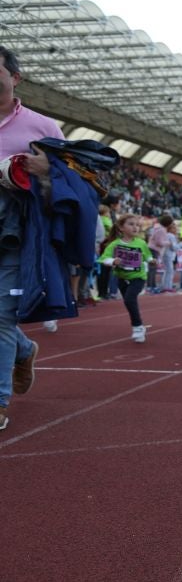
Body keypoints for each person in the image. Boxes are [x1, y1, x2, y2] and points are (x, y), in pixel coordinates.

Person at [0, 45, 61, 431]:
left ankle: (0, 401)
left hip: (17, 235)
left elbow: (82, 182)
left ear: (15, 77)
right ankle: (24, 349)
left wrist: (46, 171)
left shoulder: (43, 127)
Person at [99, 214, 155, 343]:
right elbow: (103, 259)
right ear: (121, 227)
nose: (135, 227)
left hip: (138, 277)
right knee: (129, 303)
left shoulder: (141, 243)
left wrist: (152, 261)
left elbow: (148, 256)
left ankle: (137, 327)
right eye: (131, 224)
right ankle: (139, 325)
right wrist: (113, 261)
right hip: (121, 277)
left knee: (130, 299)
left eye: (137, 225)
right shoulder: (115, 244)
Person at [158, 215, 178, 293]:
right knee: (169, 271)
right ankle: (167, 286)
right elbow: (174, 248)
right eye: (174, 227)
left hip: (165, 255)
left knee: (167, 271)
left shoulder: (166, 234)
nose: (175, 229)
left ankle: (165, 286)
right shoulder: (171, 235)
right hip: (168, 255)